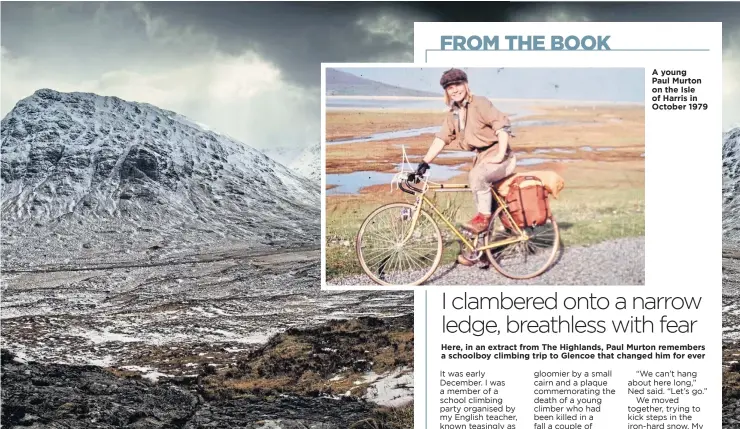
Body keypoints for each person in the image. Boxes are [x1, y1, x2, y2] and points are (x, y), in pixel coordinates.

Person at [416, 68, 517, 238]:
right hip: (482, 158)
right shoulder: (453, 113)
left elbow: (502, 127)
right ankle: (482, 253)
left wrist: (500, 155)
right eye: (450, 87)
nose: (455, 90)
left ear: (466, 85)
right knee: (483, 203)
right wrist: (424, 162)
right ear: (446, 92)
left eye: (458, 84)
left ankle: (484, 220)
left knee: (476, 179)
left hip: (501, 156)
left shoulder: (480, 103)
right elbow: (441, 138)